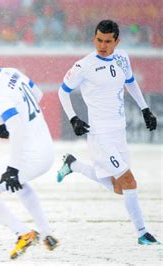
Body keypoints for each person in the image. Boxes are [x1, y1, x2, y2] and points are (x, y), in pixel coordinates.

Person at [57, 20, 160, 245]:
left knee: (119, 188)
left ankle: (73, 165)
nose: (102, 45)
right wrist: (73, 118)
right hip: (99, 135)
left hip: (118, 132)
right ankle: (143, 234)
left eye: (107, 41)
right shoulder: (83, 66)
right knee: (129, 181)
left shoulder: (122, 57)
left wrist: (145, 109)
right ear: (94, 39)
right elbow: (62, 91)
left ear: (117, 41)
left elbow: (131, 83)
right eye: (99, 40)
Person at [0, 45, 58, 260]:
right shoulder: (12, 72)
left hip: (30, 154)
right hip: (45, 148)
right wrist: (11, 125)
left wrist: (13, 168)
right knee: (20, 185)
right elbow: (38, 94)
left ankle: (23, 233)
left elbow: (16, 129)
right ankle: (46, 233)